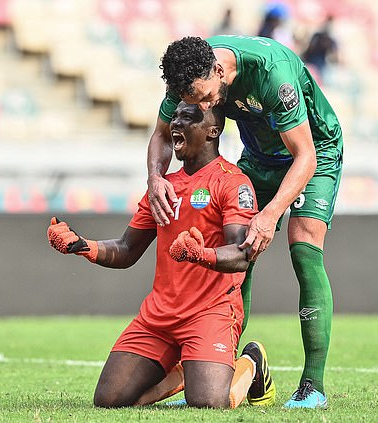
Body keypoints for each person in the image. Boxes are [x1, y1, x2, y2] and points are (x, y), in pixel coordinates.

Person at [146, 35, 343, 409]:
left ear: (220, 71)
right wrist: (155, 177)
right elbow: (159, 134)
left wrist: (268, 216)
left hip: (313, 155)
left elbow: (305, 156)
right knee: (238, 252)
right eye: (195, 102)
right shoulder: (189, 71)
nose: (205, 107)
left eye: (206, 98)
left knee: (303, 252)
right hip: (259, 158)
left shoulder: (273, 75)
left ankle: (312, 386)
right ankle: (219, 371)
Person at [48, 102, 276, 408]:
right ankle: (185, 373)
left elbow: (242, 254)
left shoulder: (232, 182)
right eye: (175, 116)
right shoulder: (162, 188)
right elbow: (128, 249)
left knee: (209, 403)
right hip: (159, 316)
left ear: (213, 131)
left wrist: (201, 254)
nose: (176, 123)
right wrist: (81, 245)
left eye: (188, 117)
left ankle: (250, 362)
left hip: (210, 311)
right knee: (109, 400)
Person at [301, 16, 339, 80]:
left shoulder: (330, 39)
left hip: (321, 64)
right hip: (312, 60)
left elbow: (335, 55)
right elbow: (310, 48)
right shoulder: (317, 36)